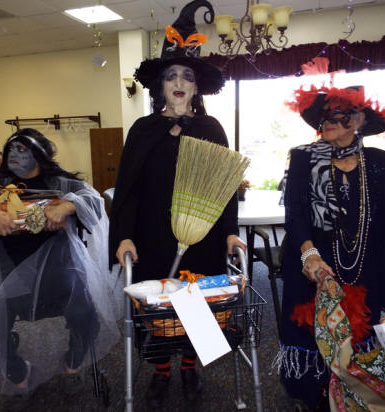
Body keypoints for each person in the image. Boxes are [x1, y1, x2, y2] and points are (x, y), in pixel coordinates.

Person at [276, 85, 385, 411]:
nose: (329, 120)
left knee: (357, 336)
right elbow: (295, 213)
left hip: (364, 267)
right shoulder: (303, 158)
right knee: (313, 333)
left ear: (358, 120)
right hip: (314, 265)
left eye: (339, 113)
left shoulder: (382, 163)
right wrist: (309, 253)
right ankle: (314, 396)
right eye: (325, 114)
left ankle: (352, 392)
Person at [108, 0, 246, 407]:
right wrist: (123, 236)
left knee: (196, 302)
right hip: (152, 234)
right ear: (161, 87)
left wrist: (231, 233)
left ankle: (188, 368)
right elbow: (127, 189)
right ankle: (161, 371)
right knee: (157, 307)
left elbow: (224, 188)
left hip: (202, 235)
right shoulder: (142, 129)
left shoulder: (211, 129)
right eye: (171, 76)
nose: (180, 82)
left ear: (197, 86)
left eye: (187, 76)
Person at [0, 128, 121, 410]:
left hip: (60, 278)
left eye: (23, 149)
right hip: (7, 281)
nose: (15, 155)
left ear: (40, 153)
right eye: (11, 150)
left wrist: (68, 206)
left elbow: (94, 201)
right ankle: (19, 375)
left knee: (86, 315)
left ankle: (73, 364)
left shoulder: (61, 183)